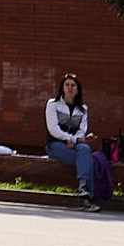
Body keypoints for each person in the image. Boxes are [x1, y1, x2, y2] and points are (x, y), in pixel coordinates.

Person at [44, 72, 103, 211]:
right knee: (88, 160)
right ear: (62, 88)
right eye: (67, 85)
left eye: (73, 85)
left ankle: (83, 190)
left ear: (77, 89)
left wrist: (75, 140)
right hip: (55, 145)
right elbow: (53, 129)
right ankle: (87, 199)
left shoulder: (83, 109)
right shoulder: (53, 104)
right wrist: (70, 139)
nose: (70, 87)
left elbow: (82, 130)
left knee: (85, 151)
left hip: (75, 146)